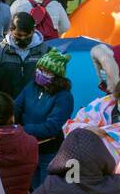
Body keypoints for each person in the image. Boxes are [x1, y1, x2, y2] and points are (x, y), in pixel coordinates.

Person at [14, 48, 75, 185]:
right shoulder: (32, 86)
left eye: (46, 71)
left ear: (57, 76)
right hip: (28, 148)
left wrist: (22, 129)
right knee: (31, 188)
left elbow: (51, 127)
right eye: (39, 69)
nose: (40, 73)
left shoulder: (64, 97)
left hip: (49, 151)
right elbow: (17, 106)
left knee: (46, 188)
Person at [0, 11, 48, 90]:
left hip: (34, 100)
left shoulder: (44, 50)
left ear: (33, 30)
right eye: (19, 35)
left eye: (27, 35)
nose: (23, 38)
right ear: (11, 30)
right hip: (8, 100)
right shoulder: (0, 50)